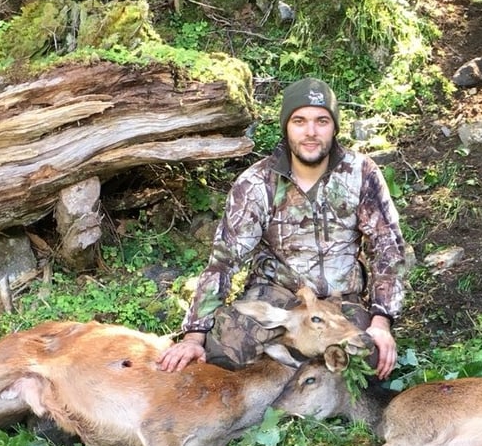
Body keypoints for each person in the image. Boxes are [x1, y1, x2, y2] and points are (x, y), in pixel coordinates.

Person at [157, 77, 405, 379]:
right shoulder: (256, 183)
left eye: (321, 121)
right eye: (299, 121)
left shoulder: (361, 173)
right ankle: (301, 368)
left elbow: (387, 249)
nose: (311, 132)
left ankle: (289, 370)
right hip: (276, 297)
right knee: (221, 348)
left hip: (340, 304)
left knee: (373, 358)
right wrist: (194, 336)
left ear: (334, 127)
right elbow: (223, 262)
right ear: (286, 127)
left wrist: (381, 322)